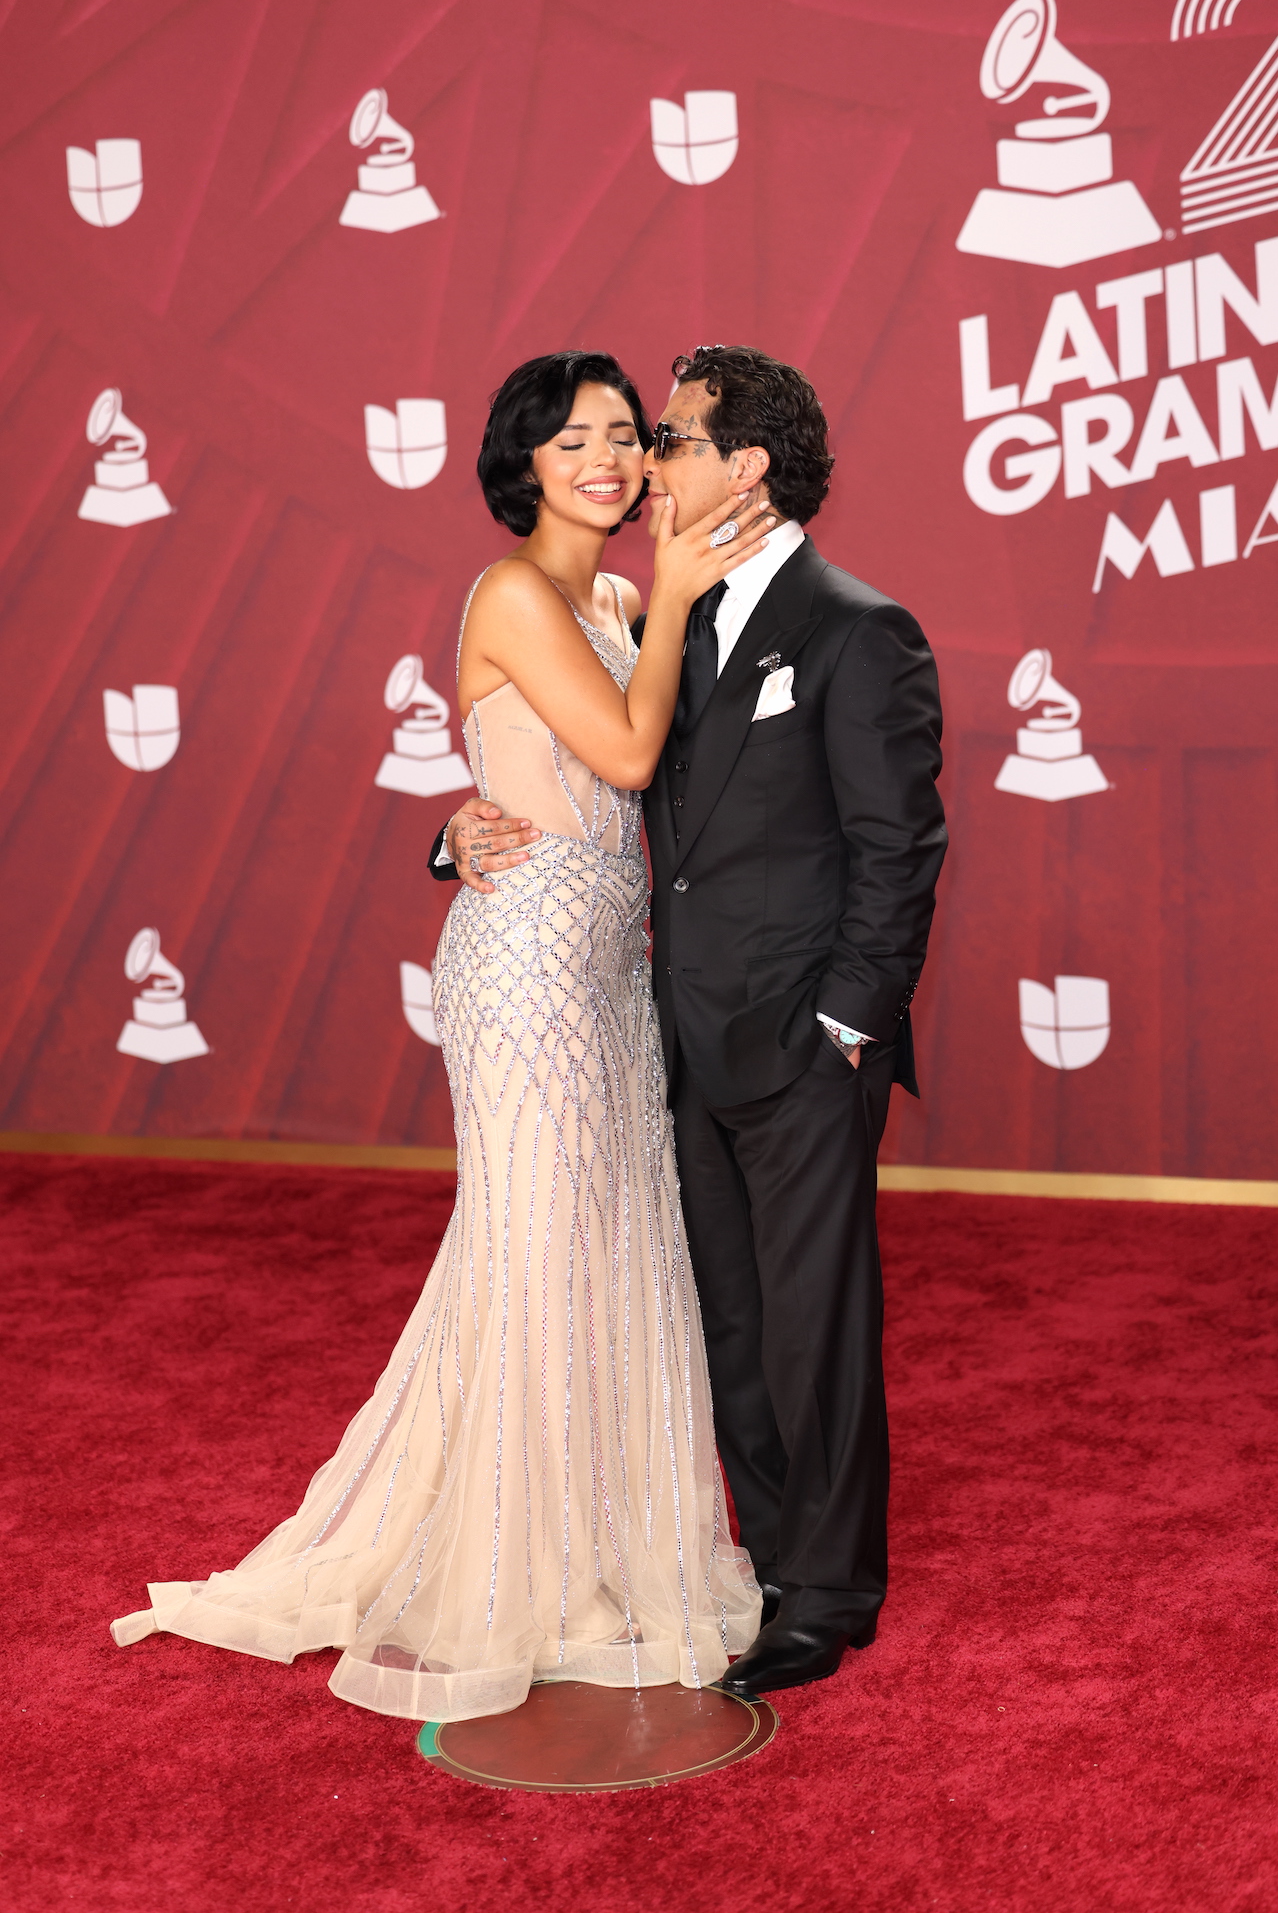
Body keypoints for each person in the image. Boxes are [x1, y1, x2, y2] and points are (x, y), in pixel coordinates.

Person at [110, 351, 770, 1722]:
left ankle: (593, 1555)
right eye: (571, 436)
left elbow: (613, 781)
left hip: (606, 968)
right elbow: (631, 755)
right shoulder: (513, 596)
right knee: (534, 1251)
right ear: (522, 461)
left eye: (622, 434)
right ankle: (498, 1574)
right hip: (523, 973)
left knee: (605, 1251)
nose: (605, 455)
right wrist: (681, 610)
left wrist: (446, 828)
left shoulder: (619, 595)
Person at [437, 345, 946, 1697]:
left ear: (745, 466)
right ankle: (773, 1556)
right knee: (728, 1321)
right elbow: (592, 772)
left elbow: (897, 846)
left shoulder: (852, 625)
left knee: (813, 1322)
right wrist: (454, 834)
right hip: (666, 1028)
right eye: (625, 439)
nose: (643, 462)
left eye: (666, 437)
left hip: (797, 1039)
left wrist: (847, 1024)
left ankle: (829, 1593)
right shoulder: (673, 610)